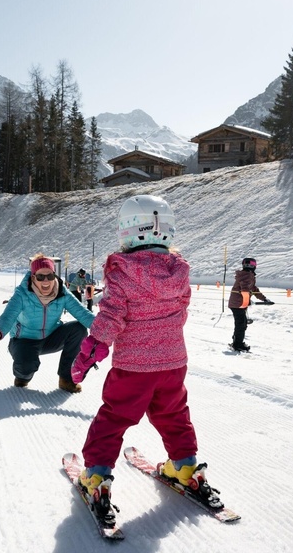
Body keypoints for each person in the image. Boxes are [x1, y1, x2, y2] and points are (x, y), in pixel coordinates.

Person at [70, 194, 218, 523]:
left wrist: (89, 351)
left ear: (126, 231)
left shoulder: (122, 271)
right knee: (174, 414)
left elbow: (110, 318)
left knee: (113, 420)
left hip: (134, 366)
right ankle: (185, 467)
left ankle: (96, 477)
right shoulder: (178, 270)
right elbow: (181, 311)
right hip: (172, 362)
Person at [0, 254, 95, 393]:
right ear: (33, 277)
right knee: (26, 368)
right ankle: (22, 376)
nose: (46, 281)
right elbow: (8, 316)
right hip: (24, 340)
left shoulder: (62, 293)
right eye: (40, 276)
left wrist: (107, 328)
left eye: (50, 276)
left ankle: (66, 379)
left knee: (78, 329)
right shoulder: (22, 294)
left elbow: (83, 314)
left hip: (51, 337)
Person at [228, 257, 272, 352]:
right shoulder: (247, 275)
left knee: (241, 324)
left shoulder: (248, 275)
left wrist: (264, 298)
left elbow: (254, 289)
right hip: (238, 304)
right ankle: (237, 344)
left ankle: (237, 341)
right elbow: (245, 290)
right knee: (241, 324)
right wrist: (247, 300)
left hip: (239, 303)